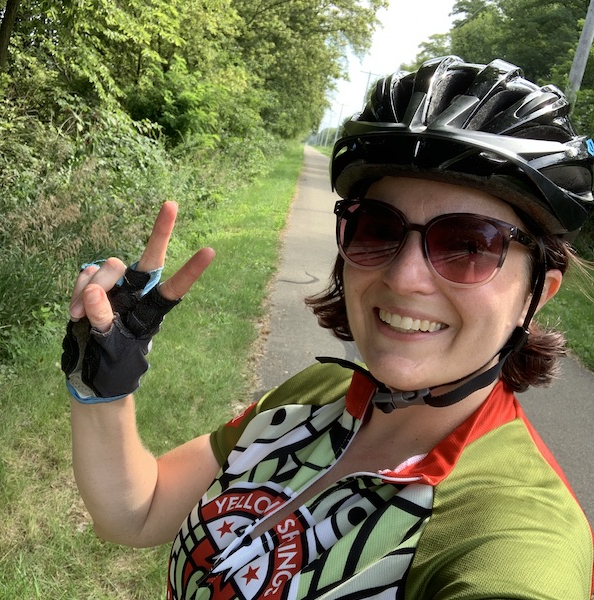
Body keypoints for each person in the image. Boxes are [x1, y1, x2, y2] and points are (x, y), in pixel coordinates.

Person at [64, 56, 594, 599]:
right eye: (376, 227)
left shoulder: (517, 536)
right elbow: (141, 511)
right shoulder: (314, 397)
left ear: (536, 296)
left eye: (468, 245)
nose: (404, 277)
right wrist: (103, 388)